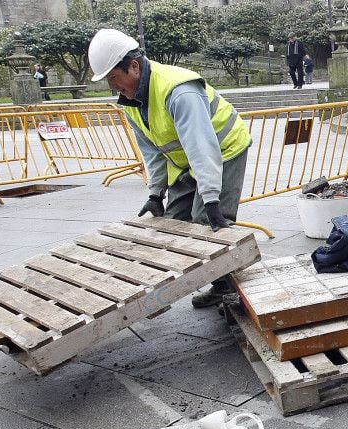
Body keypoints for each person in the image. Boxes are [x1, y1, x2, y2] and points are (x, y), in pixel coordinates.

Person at [87, 28, 252, 307]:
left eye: (114, 77)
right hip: (185, 160)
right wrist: (155, 194)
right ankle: (158, 294)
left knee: (207, 223)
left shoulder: (179, 91)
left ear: (134, 66)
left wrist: (211, 198)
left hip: (222, 151)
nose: (113, 86)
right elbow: (152, 150)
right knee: (171, 222)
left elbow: (202, 145)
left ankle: (226, 286)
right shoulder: (132, 100)